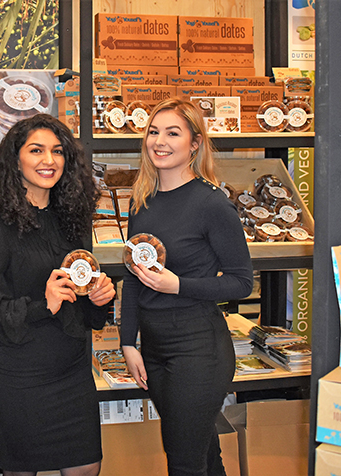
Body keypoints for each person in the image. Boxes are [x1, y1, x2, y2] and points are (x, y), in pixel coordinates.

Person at [0, 114, 115, 476]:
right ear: (15, 159)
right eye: (36, 150)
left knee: (87, 468)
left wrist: (99, 299)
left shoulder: (73, 224)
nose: (49, 160)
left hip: (73, 373)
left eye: (57, 151)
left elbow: (83, 310)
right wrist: (42, 306)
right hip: (22, 380)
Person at [121, 98, 254, 476]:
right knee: (203, 456)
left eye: (173, 133)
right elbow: (132, 276)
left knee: (183, 463)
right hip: (155, 351)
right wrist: (128, 342)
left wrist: (178, 285)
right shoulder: (142, 201)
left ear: (195, 144)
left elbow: (241, 282)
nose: (159, 141)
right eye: (153, 132)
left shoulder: (212, 204)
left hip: (198, 351)